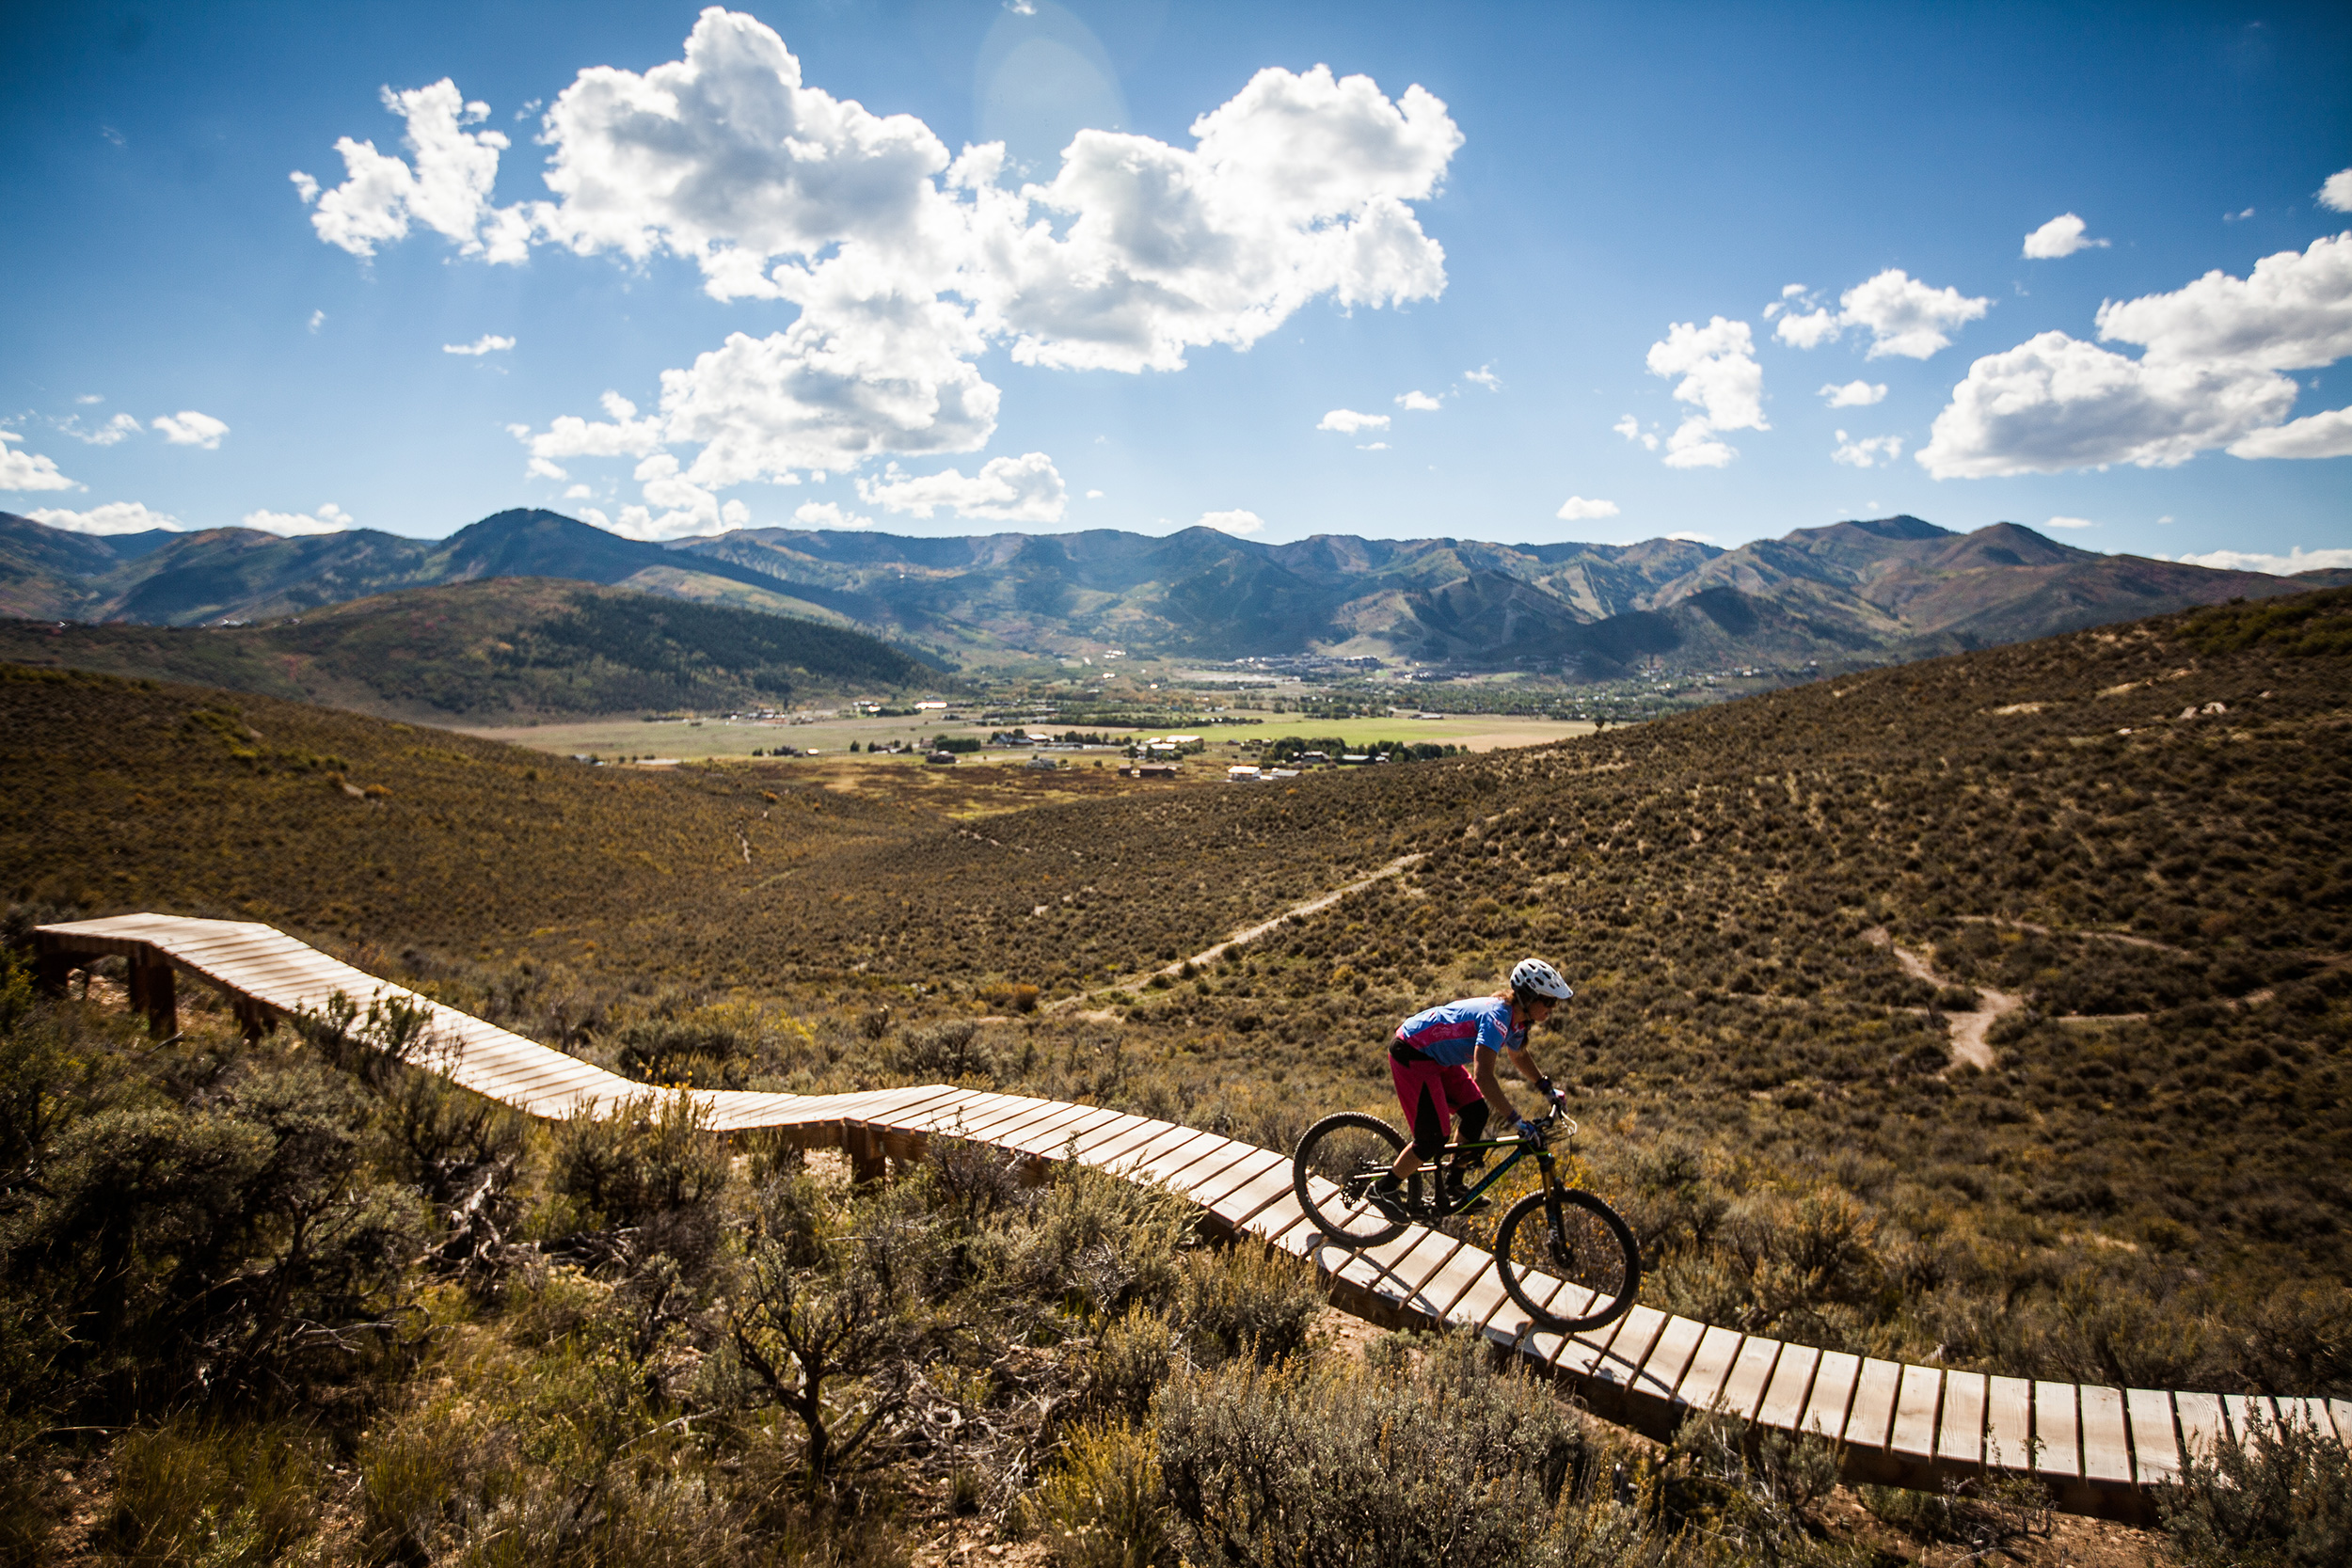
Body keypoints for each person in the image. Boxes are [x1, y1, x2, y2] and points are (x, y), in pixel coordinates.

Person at [1370, 958, 1573, 1220]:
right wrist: (1516, 1121)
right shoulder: (1497, 1017)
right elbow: (1484, 1076)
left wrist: (1547, 1089)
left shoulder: (1517, 1020)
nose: (1552, 1008)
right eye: (1548, 1001)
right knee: (1432, 1137)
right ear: (1529, 997)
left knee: (1476, 1111)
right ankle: (1383, 1189)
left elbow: (1519, 1056)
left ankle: (1454, 1184)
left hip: (1437, 1057)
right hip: (1412, 1050)